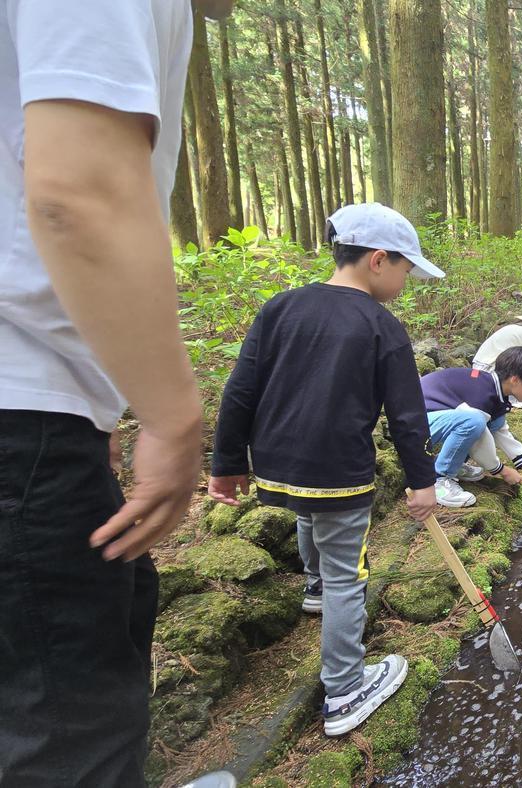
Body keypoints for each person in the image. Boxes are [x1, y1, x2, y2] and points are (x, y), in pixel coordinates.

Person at [0, 1, 234, 782]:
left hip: (42, 408)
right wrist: (170, 418)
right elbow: (79, 195)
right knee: (71, 730)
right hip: (22, 424)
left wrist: (93, 401)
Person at [210, 203, 443, 737]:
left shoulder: (281, 307)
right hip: (339, 471)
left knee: (306, 515)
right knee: (348, 576)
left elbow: (240, 390)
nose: (407, 282)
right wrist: (423, 484)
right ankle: (344, 690)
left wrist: (226, 464)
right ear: (378, 260)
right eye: (407, 270)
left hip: (274, 466)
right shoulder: (382, 327)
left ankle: (313, 588)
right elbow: (408, 418)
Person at [420, 347, 522, 508]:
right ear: (515, 380)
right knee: (474, 422)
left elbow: (501, 431)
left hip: (434, 419)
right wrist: (501, 470)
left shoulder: (494, 391)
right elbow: (479, 437)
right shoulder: (481, 395)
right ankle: (440, 479)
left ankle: (455, 465)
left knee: (492, 421)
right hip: (414, 424)